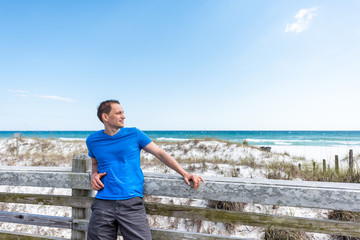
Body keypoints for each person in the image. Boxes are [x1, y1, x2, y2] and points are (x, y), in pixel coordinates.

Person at [86, 99, 204, 240]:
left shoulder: (134, 134)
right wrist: (94, 175)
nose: (123, 116)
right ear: (105, 117)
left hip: (131, 203)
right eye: (119, 113)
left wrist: (185, 173)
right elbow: (94, 163)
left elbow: (160, 153)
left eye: (123, 113)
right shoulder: (92, 140)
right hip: (103, 203)